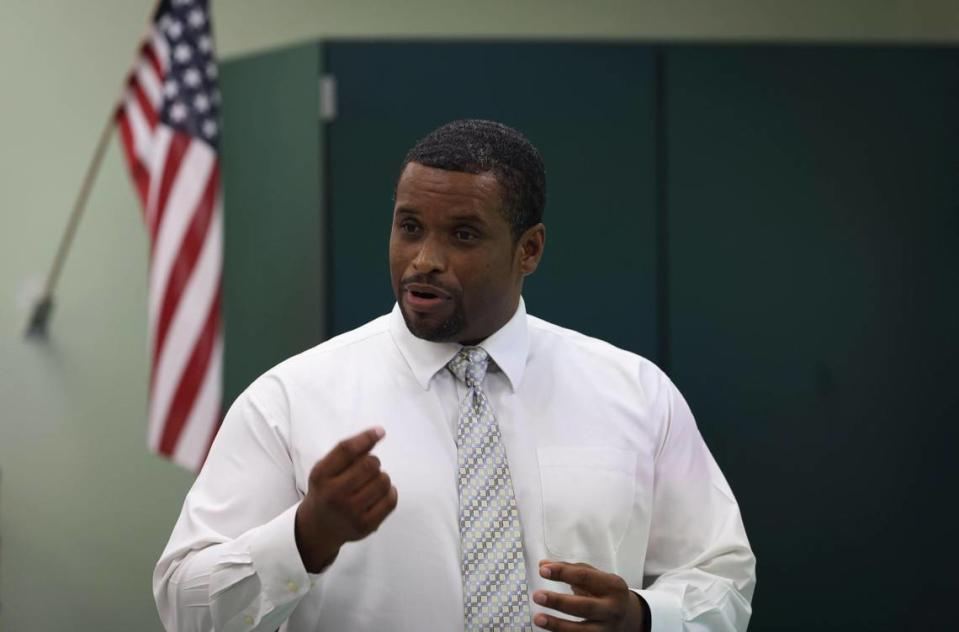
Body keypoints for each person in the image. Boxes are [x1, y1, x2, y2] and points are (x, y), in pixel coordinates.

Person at [154, 119, 756, 632]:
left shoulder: (636, 393)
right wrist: (304, 537)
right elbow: (183, 603)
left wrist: (646, 618)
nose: (424, 260)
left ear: (530, 249)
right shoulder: (291, 399)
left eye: (463, 234)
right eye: (409, 227)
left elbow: (721, 578)